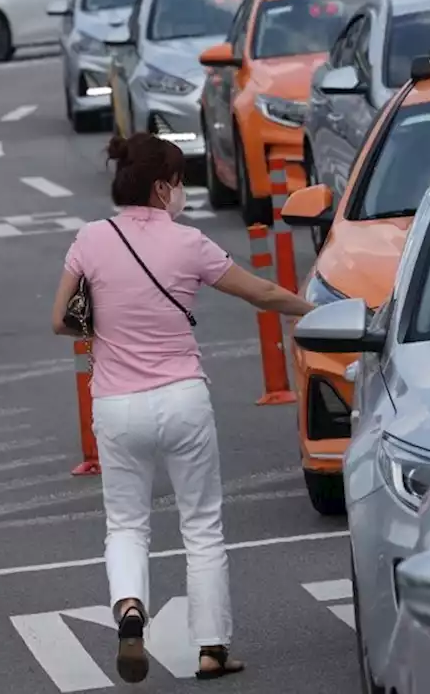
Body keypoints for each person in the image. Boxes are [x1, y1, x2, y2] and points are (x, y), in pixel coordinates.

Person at [50, 134, 315, 684]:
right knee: (202, 526)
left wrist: (107, 323)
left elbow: (60, 320)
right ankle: (212, 648)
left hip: (116, 405)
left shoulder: (91, 240)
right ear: (161, 186)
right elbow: (260, 293)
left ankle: (128, 610)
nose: (183, 193)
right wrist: (312, 311)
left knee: (125, 523)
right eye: (179, 183)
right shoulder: (190, 243)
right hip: (183, 400)